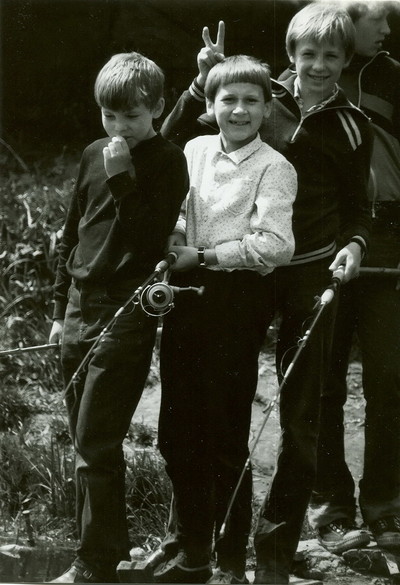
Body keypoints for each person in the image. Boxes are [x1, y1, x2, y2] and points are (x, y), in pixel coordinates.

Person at [154, 4, 373, 584]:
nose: (319, 66)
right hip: (239, 282)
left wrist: (355, 243)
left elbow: (360, 206)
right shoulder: (257, 97)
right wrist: (200, 81)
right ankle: (188, 542)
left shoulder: (353, 126)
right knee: (213, 406)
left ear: (347, 61)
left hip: (305, 275)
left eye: (332, 56)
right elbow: (173, 144)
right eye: (309, 54)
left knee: (299, 416)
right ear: (291, 56)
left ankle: (273, 550)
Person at [154, 54, 297, 585]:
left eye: (251, 100)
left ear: (267, 107)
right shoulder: (193, 150)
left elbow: (275, 245)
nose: (239, 110)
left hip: (237, 306)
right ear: (210, 106)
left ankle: (231, 559)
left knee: (225, 433)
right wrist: (175, 235)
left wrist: (205, 256)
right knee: (176, 433)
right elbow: (177, 204)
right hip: (186, 301)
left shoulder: (275, 167)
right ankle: (193, 551)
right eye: (228, 100)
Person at [47, 51, 188, 583]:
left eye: (132, 116)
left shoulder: (168, 159)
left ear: (158, 108)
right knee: (85, 442)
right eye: (110, 116)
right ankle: (104, 552)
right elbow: (70, 233)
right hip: (79, 307)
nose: (120, 127)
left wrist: (124, 177)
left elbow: (150, 236)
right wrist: (58, 310)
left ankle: (95, 563)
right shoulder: (92, 153)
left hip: (126, 309)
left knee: (96, 441)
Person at [307, 0, 400, 555]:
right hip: (322, 240)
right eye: (379, 18)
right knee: (323, 379)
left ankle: (386, 506)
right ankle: (330, 507)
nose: (388, 28)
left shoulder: (394, 77)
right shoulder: (295, 82)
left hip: (388, 238)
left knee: (389, 378)